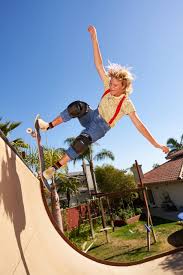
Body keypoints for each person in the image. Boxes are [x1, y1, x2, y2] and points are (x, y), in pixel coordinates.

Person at [38, 25, 169, 180]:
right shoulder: (108, 84)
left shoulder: (127, 104)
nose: (111, 87)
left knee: (81, 143)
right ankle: (48, 126)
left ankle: (52, 170)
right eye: (111, 83)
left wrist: (156, 144)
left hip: (100, 127)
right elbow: (98, 65)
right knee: (77, 106)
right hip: (92, 114)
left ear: (124, 87)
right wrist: (94, 39)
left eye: (115, 85)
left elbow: (140, 125)